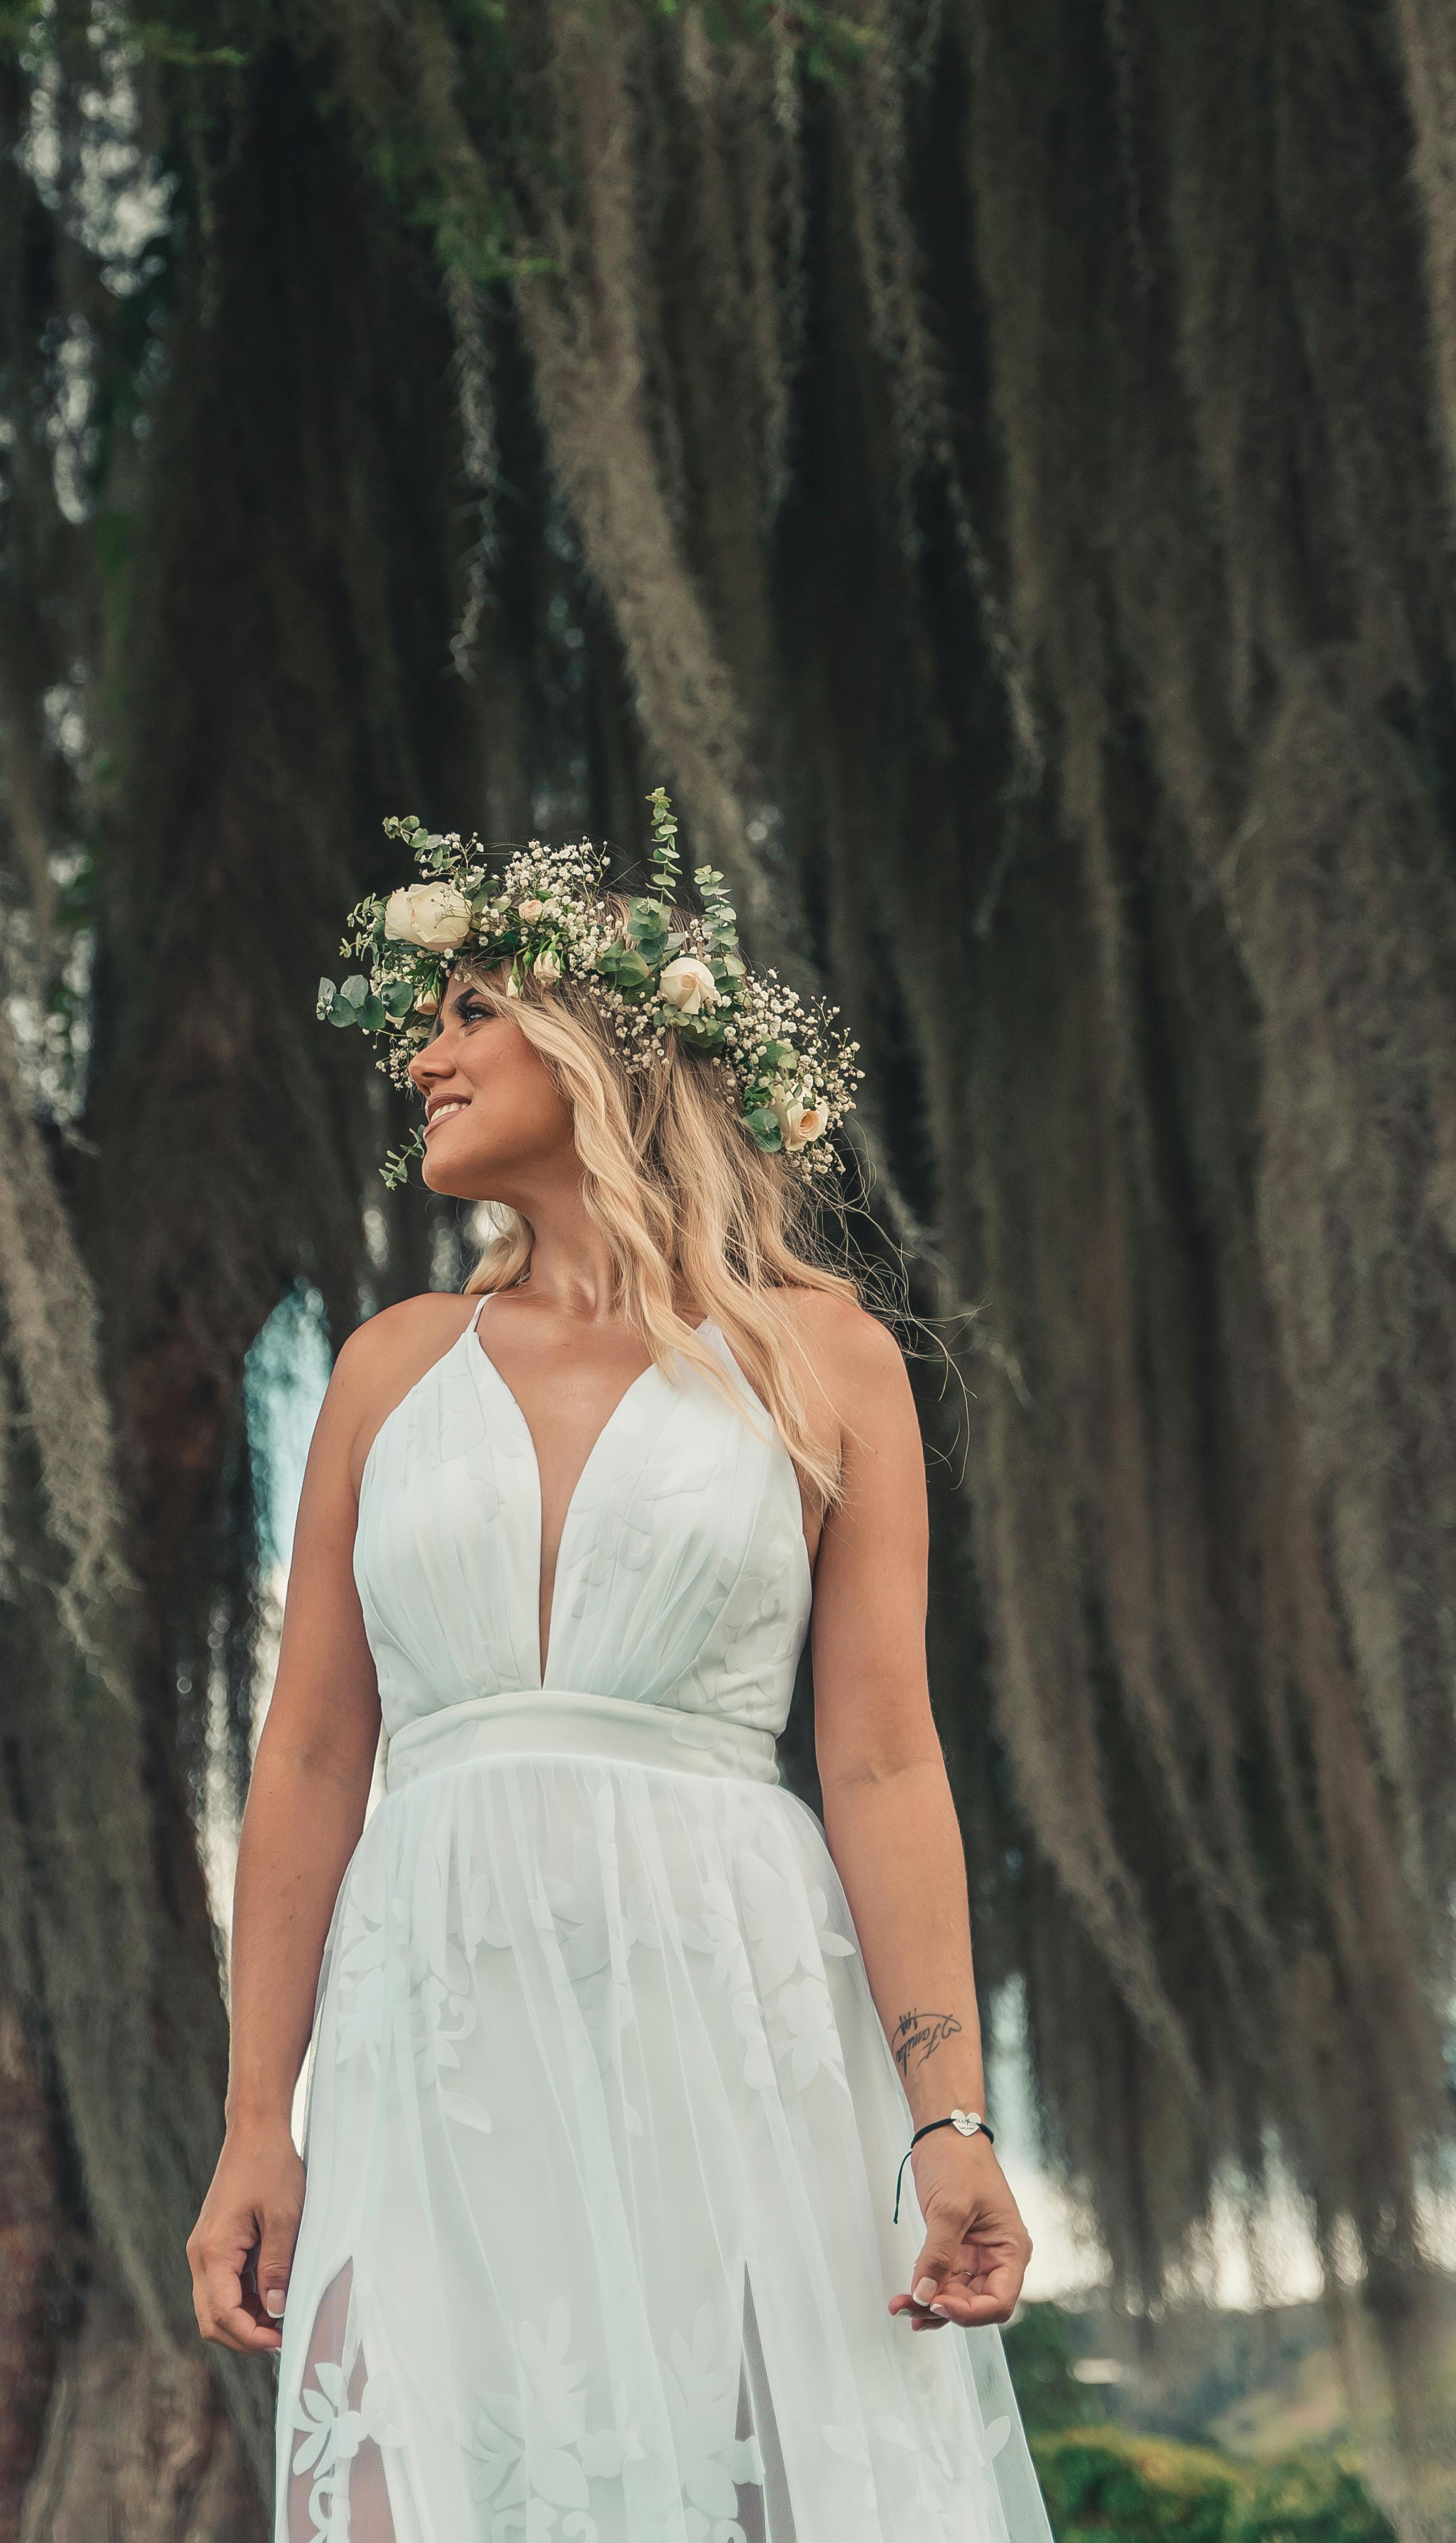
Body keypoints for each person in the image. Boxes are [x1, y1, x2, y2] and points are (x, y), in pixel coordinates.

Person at [188, 801, 1050, 2542]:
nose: (419, 1058)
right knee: (411, 2482)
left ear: (606, 1046)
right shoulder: (387, 1370)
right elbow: (305, 1763)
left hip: (724, 1993)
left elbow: (882, 1759)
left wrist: (944, 2116)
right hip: (432, 2011)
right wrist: (253, 2124)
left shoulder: (826, 1360)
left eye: (465, 1016)